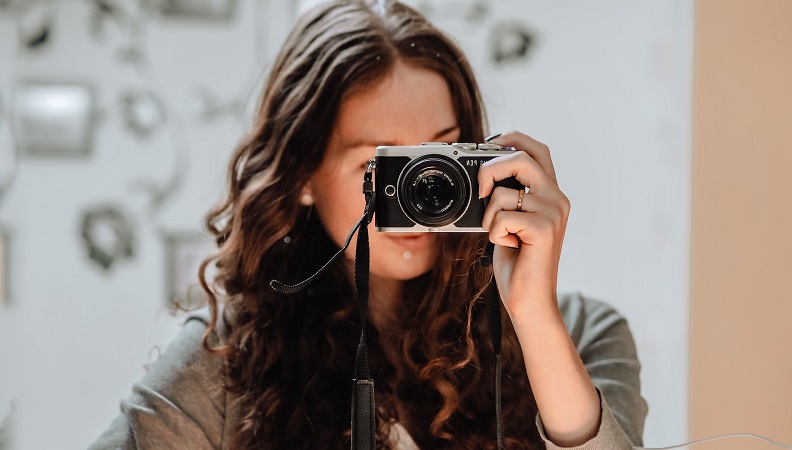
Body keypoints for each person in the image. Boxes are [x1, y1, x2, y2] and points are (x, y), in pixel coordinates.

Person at [91, 1, 647, 449]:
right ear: (303, 173)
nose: (420, 191)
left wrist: (534, 319)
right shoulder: (230, 363)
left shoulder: (581, 332)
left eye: (442, 154)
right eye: (383, 166)